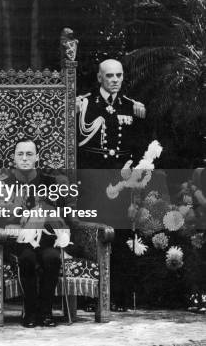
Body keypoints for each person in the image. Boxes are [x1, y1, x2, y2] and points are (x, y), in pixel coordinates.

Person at [76, 58, 147, 311]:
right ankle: (89, 297)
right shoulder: (83, 104)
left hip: (122, 183)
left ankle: (119, 296)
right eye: (109, 76)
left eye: (119, 75)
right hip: (93, 184)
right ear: (99, 78)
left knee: (122, 236)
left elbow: (140, 149)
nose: (115, 80)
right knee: (92, 236)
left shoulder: (132, 107)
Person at [4, 139, 75, 328]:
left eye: (29, 154)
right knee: (27, 259)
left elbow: (59, 215)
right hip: (18, 242)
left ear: (37, 157)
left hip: (46, 239)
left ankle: (46, 313)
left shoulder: (50, 182)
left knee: (51, 258)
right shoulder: (4, 184)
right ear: (13, 157)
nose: (25, 158)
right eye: (20, 154)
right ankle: (30, 311)